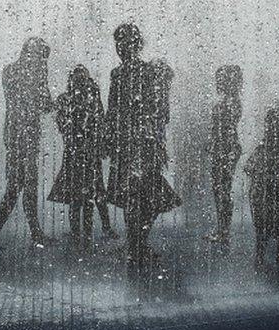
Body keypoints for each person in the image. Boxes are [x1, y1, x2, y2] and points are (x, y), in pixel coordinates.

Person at [104, 24, 181, 268]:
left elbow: (157, 111)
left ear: (135, 45)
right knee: (139, 197)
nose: (120, 48)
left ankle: (136, 243)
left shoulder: (146, 72)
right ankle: (137, 243)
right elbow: (113, 110)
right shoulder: (123, 74)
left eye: (124, 42)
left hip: (138, 144)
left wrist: (154, 140)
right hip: (132, 144)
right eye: (118, 43)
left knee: (144, 197)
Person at [0, 37, 54, 250]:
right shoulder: (31, 74)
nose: (43, 62)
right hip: (24, 134)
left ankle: (31, 232)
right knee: (19, 186)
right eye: (42, 57)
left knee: (21, 185)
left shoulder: (9, 71)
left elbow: (29, 102)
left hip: (17, 133)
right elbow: (44, 105)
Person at [48, 65, 106, 251]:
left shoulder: (75, 99)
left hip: (79, 153)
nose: (80, 82)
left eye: (83, 78)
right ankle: (83, 235)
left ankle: (81, 235)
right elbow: (99, 122)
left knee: (81, 197)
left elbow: (99, 121)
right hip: (83, 153)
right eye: (78, 78)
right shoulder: (82, 99)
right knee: (84, 197)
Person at [245, 106, 279, 267]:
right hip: (267, 192)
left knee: (267, 227)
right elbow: (249, 167)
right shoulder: (271, 144)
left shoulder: (271, 143)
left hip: (263, 191)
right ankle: (274, 257)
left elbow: (248, 168)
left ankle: (264, 259)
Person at [205, 65, 243, 243]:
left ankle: (223, 231)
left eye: (220, 79)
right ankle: (222, 229)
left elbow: (223, 127)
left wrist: (213, 142)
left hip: (225, 149)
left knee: (222, 190)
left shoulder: (228, 102)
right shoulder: (231, 100)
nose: (217, 82)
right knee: (221, 189)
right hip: (225, 147)